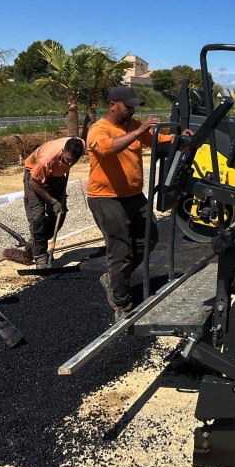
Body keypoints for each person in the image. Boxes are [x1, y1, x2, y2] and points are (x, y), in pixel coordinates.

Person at [86, 86, 169, 321]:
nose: (131, 110)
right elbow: (106, 149)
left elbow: (157, 141)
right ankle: (121, 303)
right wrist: (140, 130)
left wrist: (177, 138)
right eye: (128, 106)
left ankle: (113, 279)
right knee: (119, 250)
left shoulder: (132, 126)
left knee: (149, 239)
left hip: (134, 196)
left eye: (133, 107)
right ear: (113, 106)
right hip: (106, 198)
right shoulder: (98, 129)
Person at [22, 136, 85, 268]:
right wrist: (52, 200)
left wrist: (58, 203)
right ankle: (40, 256)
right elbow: (33, 182)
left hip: (56, 176)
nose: (69, 164)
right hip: (33, 176)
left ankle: (31, 246)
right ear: (62, 151)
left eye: (73, 161)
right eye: (67, 160)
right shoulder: (47, 159)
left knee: (60, 213)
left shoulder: (80, 145)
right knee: (38, 217)